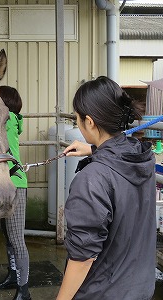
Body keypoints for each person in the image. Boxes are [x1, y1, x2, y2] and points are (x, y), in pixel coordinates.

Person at [56, 76, 156, 299]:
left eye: (77, 119)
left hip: (103, 293)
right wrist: (94, 149)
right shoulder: (141, 156)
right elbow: (119, 155)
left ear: (89, 122)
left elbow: (83, 258)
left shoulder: (92, 179)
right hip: (140, 288)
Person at [0, 86, 31, 300]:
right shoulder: (7, 121)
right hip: (4, 185)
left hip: (15, 184)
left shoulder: (7, 121)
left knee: (17, 240)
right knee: (8, 238)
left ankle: (23, 290)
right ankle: (13, 275)